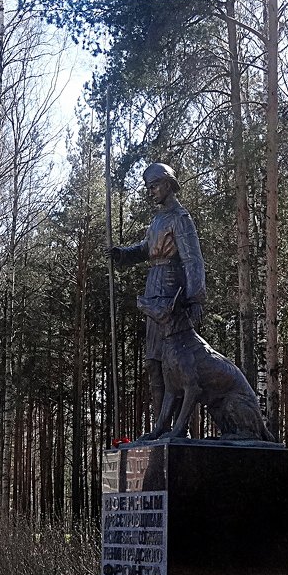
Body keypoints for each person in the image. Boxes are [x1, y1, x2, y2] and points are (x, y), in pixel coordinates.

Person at [109, 163, 207, 436]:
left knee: (172, 363)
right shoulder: (158, 219)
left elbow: (192, 259)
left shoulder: (180, 217)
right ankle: (161, 427)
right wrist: (123, 254)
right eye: (148, 187)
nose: (150, 191)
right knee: (153, 362)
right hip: (153, 285)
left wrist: (195, 297)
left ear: (168, 183)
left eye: (154, 185)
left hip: (171, 288)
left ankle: (179, 429)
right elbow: (144, 248)